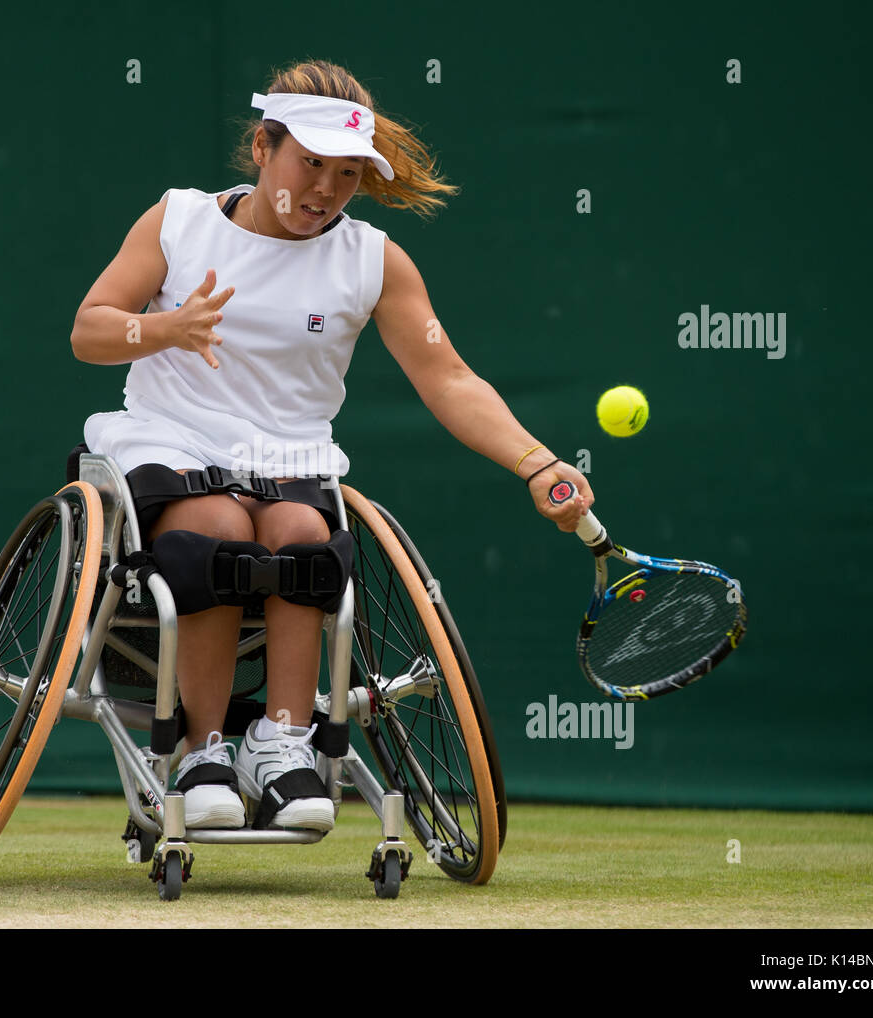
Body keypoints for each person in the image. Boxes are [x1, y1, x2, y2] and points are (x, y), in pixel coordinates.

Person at [70, 60, 593, 833]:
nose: (325, 189)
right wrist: (165, 328)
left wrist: (536, 462)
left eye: (347, 174)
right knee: (217, 526)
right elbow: (90, 330)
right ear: (263, 147)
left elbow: (448, 378)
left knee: (304, 536)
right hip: (172, 439)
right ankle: (204, 749)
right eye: (311, 163)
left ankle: (280, 746)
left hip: (290, 458)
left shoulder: (373, 260)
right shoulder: (178, 221)